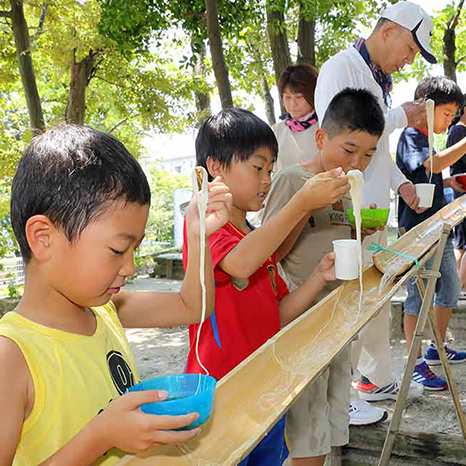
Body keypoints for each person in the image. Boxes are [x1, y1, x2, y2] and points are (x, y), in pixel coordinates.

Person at [0, 124, 233, 465]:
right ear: (43, 237)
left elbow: (192, 306)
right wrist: (99, 437)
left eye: (135, 250)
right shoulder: (12, 358)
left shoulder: (107, 309)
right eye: (118, 249)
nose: (130, 268)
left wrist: (197, 236)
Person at [184, 107, 350, 465]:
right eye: (257, 167)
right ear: (215, 166)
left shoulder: (257, 238)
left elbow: (278, 313)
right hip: (220, 393)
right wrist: (301, 202)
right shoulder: (204, 227)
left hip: (264, 387)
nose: (266, 179)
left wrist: (318, 277)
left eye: (271, 170)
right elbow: (240, 263)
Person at [314, 0, 435, 402]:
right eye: (411, 49)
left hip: (374, 210)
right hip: (347, 208)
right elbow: (345, 137)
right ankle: (341, 401)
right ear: (389, 32)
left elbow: (376, 153)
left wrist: (401, 184)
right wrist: (399, 116)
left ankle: (375, 378)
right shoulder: (341, 68)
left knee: (377, 293)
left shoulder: (375, 77)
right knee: (347, 296)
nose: (409, 60)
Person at [263, 88, 387, 466]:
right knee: (306, 436)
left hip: (336, 323)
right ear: (321, 138)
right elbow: (270, 254)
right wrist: (307, 204)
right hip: (301, 323)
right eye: (349, 150)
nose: (358, 162)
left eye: (368, 154)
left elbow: (331, 244)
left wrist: (357, 234)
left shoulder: (348, 191)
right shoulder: (293, 180)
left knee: (329, 425)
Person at [397, 77, 466, 390]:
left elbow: (431, 174)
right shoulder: (412, 135)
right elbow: (433, 164)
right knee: (415, 298)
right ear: (424, 105)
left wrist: (451, 184)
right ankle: (415, 364)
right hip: (416, 232)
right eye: (446, 114)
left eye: (453, 116)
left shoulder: (429, 139)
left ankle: (436, 347)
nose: (449, 121)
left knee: (450, 289)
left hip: (440, 229)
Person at [273, 64, 320, 174]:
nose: (293, 104)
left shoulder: (325, 126)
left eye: (299, 97)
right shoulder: (275, 131)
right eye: (287, 97)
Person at [447, 97, 466, 294]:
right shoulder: (459, 131)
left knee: (461, 243)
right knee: (462, 244)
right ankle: (459, 287)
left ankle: (458, 288)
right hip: (462, 192)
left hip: (459, 192)